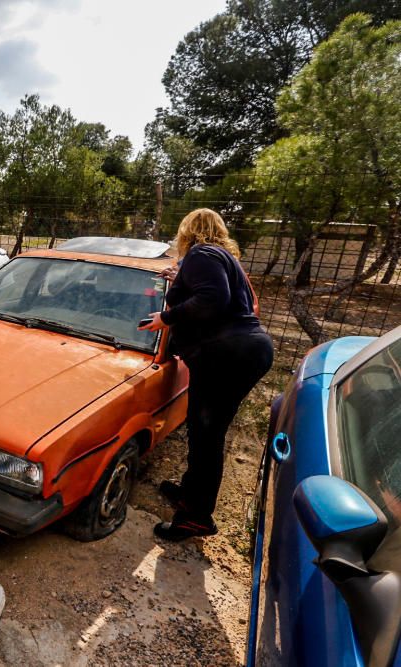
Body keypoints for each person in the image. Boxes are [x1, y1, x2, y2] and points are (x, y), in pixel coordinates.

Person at [139, 208, 273, 541]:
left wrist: (166, 318)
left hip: (228, 354)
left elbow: (213, 299)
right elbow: (211, 292)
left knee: (207, 437)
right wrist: (180, 278)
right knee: (204, 432)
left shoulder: (201, 253)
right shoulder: (218, 256)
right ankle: (190, 494)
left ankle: (196, 518)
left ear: (189, 231)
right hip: (239, 351)